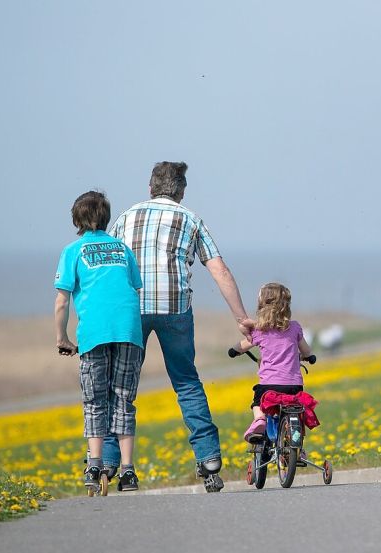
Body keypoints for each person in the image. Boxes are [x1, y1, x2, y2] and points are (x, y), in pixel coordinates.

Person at [105, 161, 254, 493]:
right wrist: (242, 319)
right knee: (186, 382)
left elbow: (110, 267)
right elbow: (220, 271)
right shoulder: (190, 219)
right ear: (182, 191)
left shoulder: (126, 217)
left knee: (122, 387)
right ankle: (209, 459)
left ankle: (112, 462)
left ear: (150, 187)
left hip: (133, 308)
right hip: (175, 309)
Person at [54, 191, 145, 493]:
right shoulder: (121, 248)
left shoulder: (73, 250)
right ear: (106, 217)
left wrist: (62, 338)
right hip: (129, 330)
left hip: (94, 334)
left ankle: (94, 464)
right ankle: (128, 471)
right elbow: (133, 287)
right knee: (123, 399)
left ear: (76, 219)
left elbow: (61, 302)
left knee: (95, 400)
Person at [226, 283, 315, 443]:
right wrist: (309, 356)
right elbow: (306, 350)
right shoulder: (294, 328)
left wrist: (234, 351)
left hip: (269, 385)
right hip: (294, 386)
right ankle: (297, 445)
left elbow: (242, 346)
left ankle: (259, 419)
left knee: (257, 402)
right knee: (295, 410)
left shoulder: (260, 330)